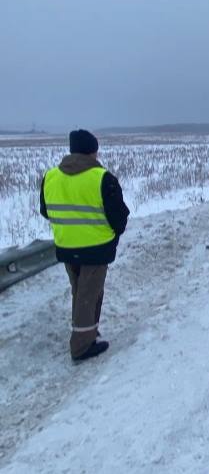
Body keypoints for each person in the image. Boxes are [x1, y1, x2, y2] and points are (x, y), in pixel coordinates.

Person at [39, 130, 130, 362]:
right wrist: (113, 233)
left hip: (66, 246)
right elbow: (119, 217)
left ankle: (88, 330)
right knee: (89, 295)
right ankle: (81, 346)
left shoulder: (50, 177)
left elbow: (45, 211)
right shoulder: (102, 178)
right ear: (93, 151)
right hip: (96, 247)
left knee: (81, 292)